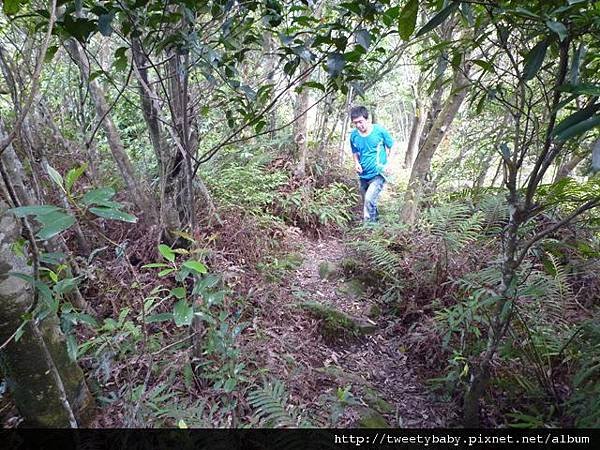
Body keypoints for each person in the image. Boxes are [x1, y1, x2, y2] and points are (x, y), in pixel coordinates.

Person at [349, 106, 394, 222]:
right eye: (355, 123)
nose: (359, 125)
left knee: (369, 199)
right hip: (363, 174)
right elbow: (354, 151)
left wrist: (389, 163)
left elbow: (392, 146)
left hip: (379, 172)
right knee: (368, 200)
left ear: (367, 119)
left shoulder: (379, 131)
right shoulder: (354, 136)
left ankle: (369, 228)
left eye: (360, 122)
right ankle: (376, 220)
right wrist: (356, 163)